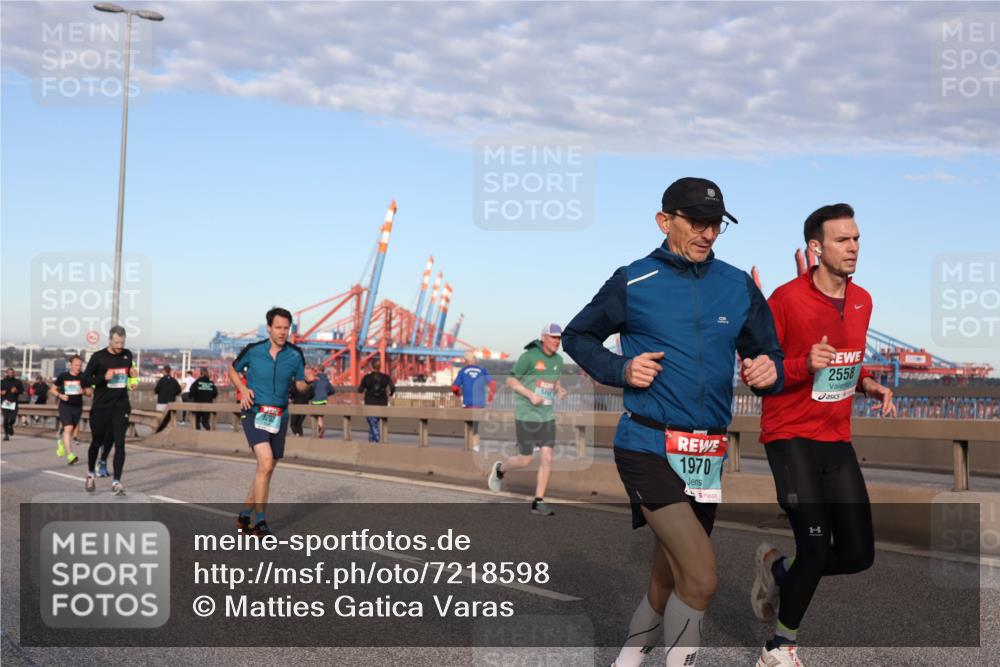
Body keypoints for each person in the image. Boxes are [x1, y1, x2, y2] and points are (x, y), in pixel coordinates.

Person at [562, 177, 784, 667]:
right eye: (697, 222)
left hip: (705, 457)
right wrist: (620, 369)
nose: (707, 233)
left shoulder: (737, 286)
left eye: (716, 225)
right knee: (702, 576)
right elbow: (578, 336)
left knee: (670, 573)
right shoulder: (634, 280)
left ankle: (629, 658)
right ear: (665, 221)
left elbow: (768, 353)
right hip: (647, 445)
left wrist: (770, 369)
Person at [750, 204, 896, 667]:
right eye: (842, 240)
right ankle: (779, 646)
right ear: (816, 248)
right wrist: (801, 365)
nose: (853, 247)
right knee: (815, 545)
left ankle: (778, 569)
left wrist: (868, 382)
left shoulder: (863, 300)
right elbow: (757, 372)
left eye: (856, 239)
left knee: (857, 553)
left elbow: (847, 358)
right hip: (789, 435)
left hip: (836, 438)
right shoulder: (786, 299)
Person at [228, 306, 308, 537]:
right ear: (269, 328)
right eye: (278, 327)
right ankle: (260, 522)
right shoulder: (253, 350)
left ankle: (244, 516)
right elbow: (233, 370)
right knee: (265, 462)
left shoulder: (295, 354)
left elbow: (301, 385)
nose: (283, 332)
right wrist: (242, 389)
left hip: (279, 416)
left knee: (267, 468)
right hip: (254, 412)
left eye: (286, 328)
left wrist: (309, 381)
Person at [486, 324, 567, 516]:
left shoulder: (558, 360)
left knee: (547, 456)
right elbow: (511, 380)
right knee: (525, 460)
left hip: (547, 416)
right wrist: (530, 394)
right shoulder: (528, 357)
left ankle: (538, 502)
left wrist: (559, 389)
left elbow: (554, 380)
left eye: (559, 338)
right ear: (543, 337)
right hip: (527, 415)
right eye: (553, 337)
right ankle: (500, 469)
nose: (557, 341)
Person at [81, 326, 138, 495]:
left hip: (121, 406)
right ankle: (91, 473)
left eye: (122, 342)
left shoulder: (128, 354)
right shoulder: (98, 357)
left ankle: (116, 482)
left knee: (119, 443)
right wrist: (101, 378)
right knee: (97, 442)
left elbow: (130, 377)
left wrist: (133, 375)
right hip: (101, 406)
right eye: (116, 342)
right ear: (110, 340)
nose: (120, 345)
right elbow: (85, 380)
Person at [451, 350, 496, 451]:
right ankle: (476, 448)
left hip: (468, 404)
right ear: (475, 360)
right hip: (480, 405)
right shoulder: (483, 370)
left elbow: (454, 387)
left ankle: (469, 450)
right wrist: (490, 400)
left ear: (465, 361)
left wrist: (458, 395)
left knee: (469, 427)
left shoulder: (462, 371)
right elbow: (493, 384)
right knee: (475, 428)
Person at [51, 356, 85, 465]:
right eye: (76, 365)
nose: (78, 367)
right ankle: (70, 455)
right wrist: (60, 395)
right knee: (68, 428)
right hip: (65, 405)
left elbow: (89, 393)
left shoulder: (83, 377)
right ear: (71, 365)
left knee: (69, 431)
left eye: (80, 365)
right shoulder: (63, 376)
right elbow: (52, 389)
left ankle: (61, 443)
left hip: (77, 407)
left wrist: (83, 391)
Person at [357, 359, 395, 443]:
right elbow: (392, 387)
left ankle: (377, 441)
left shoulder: (367, 377)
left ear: (371, 366)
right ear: (380, 366)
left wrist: (364, 388)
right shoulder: (386, 377)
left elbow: (360, 390)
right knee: (374, 423)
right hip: (382, 403)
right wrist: (390, 394)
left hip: (370, 403)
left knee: (372, 423)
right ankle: (371, 444)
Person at [309, 366, 335, 438]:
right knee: (320, 416)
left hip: (314, 400)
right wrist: (326, 394)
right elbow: (332, 390)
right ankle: (320, 430)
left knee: (313, 416)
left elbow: (310, 388)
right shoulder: (326, 379)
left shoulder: (315, 378)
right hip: (323, 400)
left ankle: (316, 431)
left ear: (317, 370)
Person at [289, 367, 315, 437]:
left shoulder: (295, 383)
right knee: (299, 423)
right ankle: (300, 435)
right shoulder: (309, 385)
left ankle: (297, 435)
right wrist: (307, 399)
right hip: (305, 404)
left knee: (293, 424)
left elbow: (291, 392)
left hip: (296, 404)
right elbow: (312, 394)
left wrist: (291, 398)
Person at [1, 368, 25, 441]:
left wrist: (16, 390)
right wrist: (1, 392)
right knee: (5, 419)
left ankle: (10, 425)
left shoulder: (17, 382)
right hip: (5, 402)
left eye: (12, 372)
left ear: (14, 373)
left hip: (14, 402)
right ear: (7, 373)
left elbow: (22, 391)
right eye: (9, 372)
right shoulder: (2, 381)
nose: (10, 374)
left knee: (12, 419)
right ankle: (6, 435)